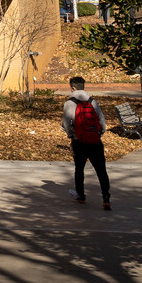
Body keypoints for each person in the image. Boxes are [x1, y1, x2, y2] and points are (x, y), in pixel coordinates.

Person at [62, 75, 111, 209]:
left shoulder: (69, 103)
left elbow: (66, 123)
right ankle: (106, 198)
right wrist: (98, 134)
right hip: (95, 141)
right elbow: (102, 122)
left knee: (79, 169)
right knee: (101, 170)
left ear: (72, 87)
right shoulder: (92, 101)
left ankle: (81, 196)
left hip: (79, 142)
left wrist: (72, 135)